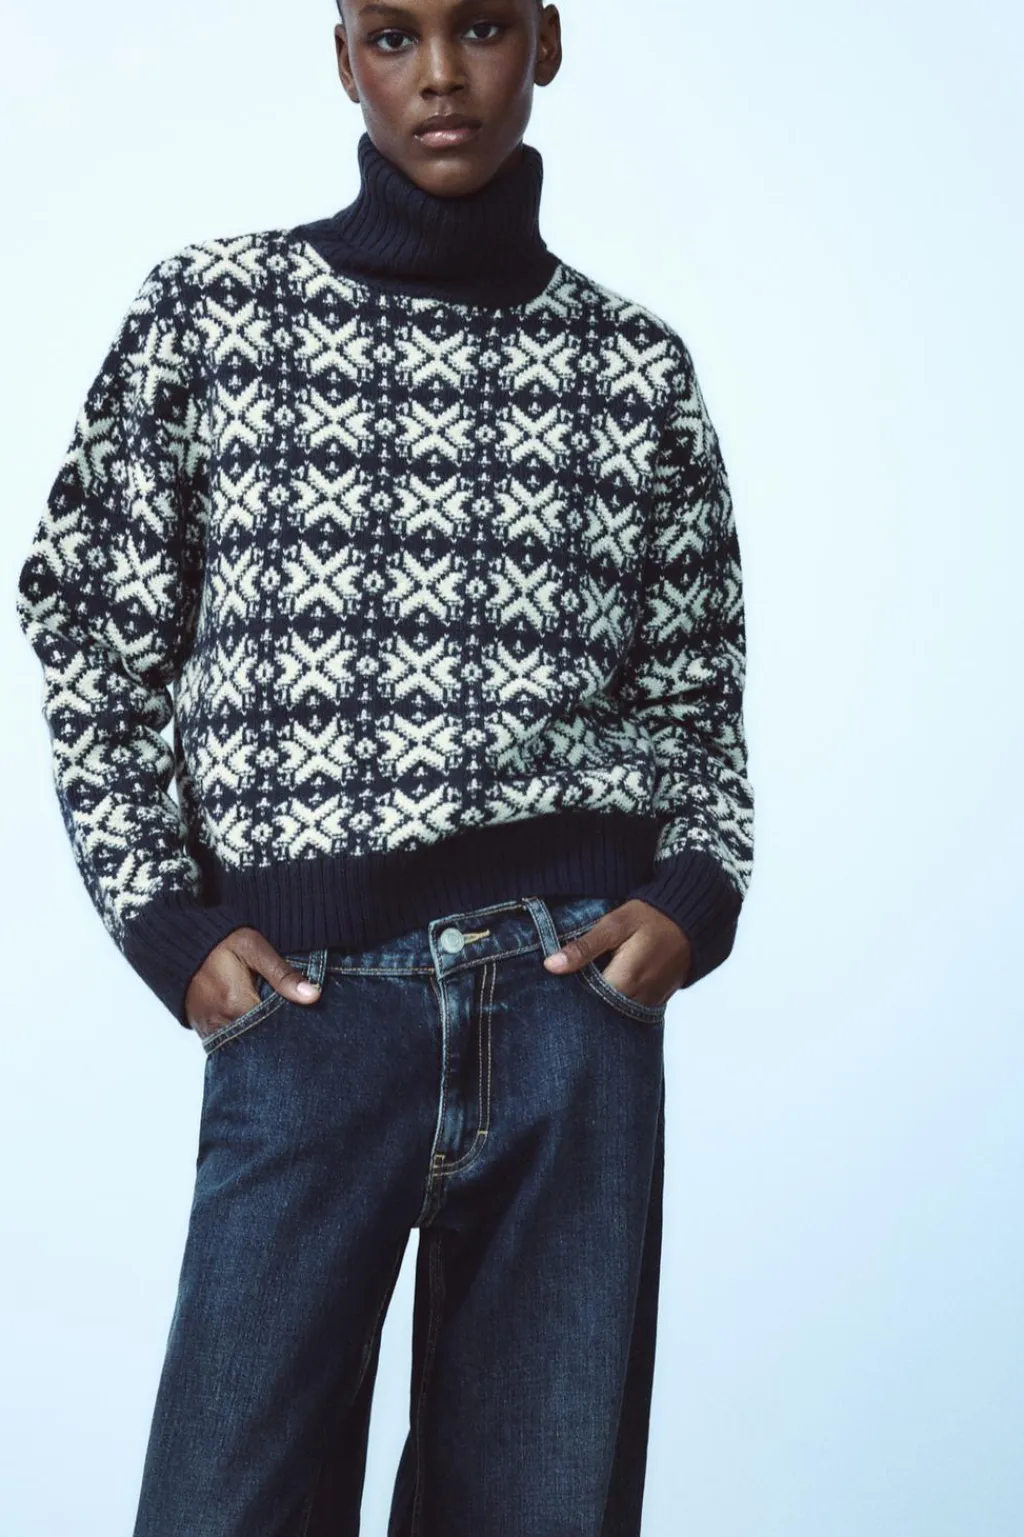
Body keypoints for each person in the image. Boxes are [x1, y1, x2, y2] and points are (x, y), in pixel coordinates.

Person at [14, 0, 754, 1531]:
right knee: (226, 1501)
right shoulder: (214, 317)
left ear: (547, 41)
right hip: (308, 1003)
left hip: (569, 1006)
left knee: (537, 1505)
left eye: (480, 27)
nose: (441, 76)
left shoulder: (633, 369)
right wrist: (164, 914)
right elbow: (82, 612)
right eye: (393, 34)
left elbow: (696, 686)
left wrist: (694, 891)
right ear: (341, 53)